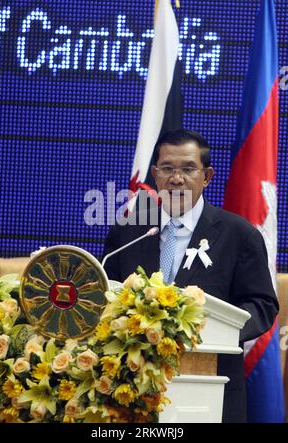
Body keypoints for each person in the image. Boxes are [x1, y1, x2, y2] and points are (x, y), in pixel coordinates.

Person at [103, 129, 279, 423]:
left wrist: (205, 329)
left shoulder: (239, 234)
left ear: (207, 176)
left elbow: (262, 305)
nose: (177, 178)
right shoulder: (129, 230)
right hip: (132, 387)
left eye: (188, 169)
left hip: (210, 382)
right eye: (168, 169)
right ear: (155, 174)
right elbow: (108, 294)